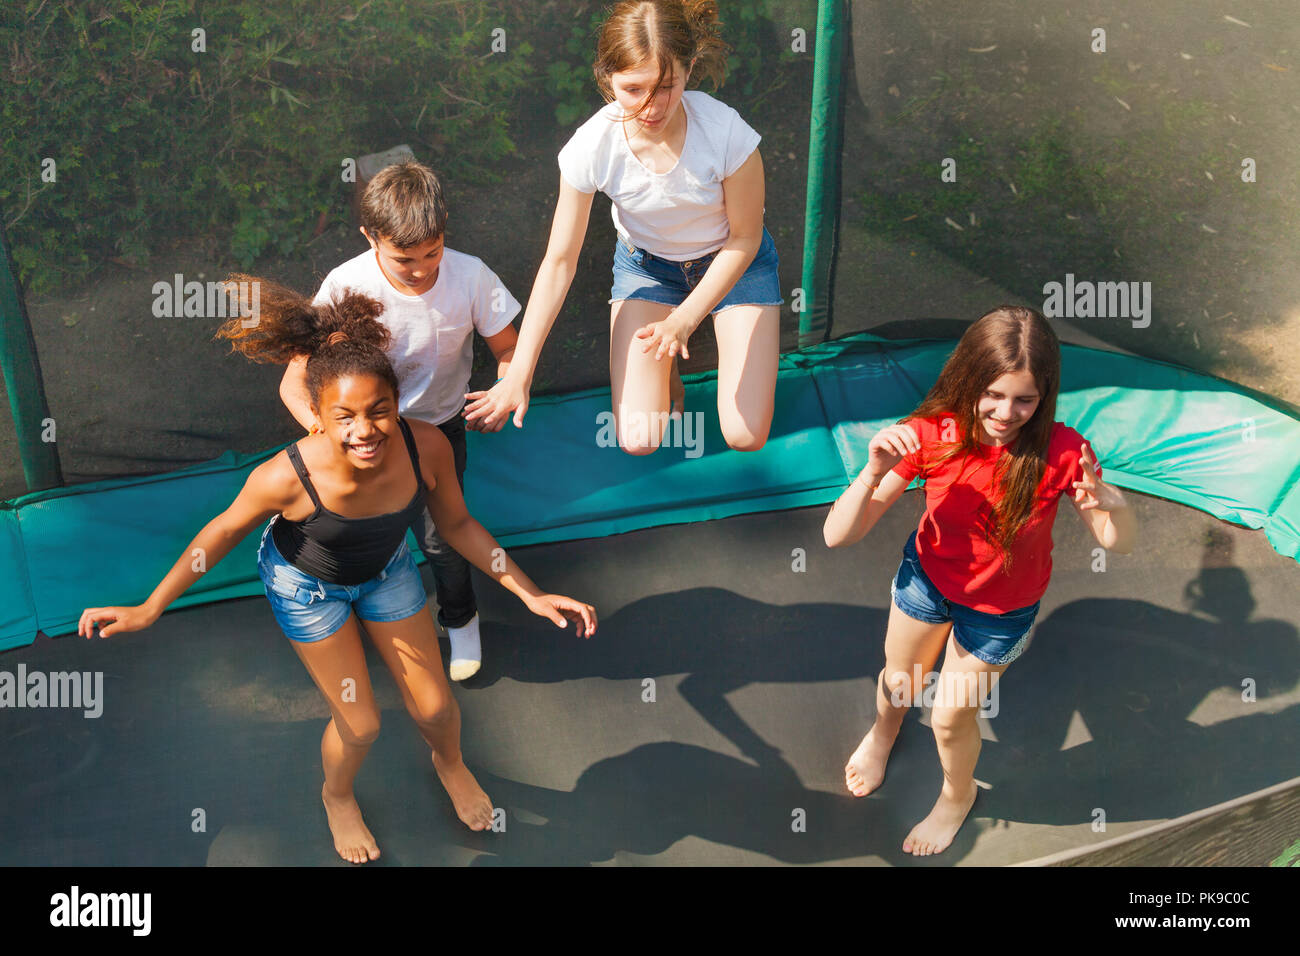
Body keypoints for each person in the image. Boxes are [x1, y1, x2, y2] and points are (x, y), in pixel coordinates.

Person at [79, 278, 596, 865]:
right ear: (317, 416)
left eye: (378, 411)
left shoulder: (426, 447)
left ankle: (449, 763)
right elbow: (219, 534)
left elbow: (457, 528)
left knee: (434, 708)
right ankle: (338, 795)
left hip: (386, 571)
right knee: (361, 724)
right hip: (307, 588)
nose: (364, 430)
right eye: (344, 416)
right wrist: (150, 607)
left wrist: (528, 593)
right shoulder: (286, 476)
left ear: (397, 403)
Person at [823, 306, 1136, 857]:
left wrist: (1117, 506)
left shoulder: (1061, 451)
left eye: (1024, 399)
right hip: (927, 584)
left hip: (999, 614)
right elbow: (837, 536)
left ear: (1044, 397)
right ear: (969, 380)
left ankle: (956, 795)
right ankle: (883, 733)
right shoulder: (929, 435)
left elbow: (1117, 541)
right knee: (899, 682)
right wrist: (871, 472)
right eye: (993, 393)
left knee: (949, 719)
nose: (1006, 412)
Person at [464, 0, 782, 455]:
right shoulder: (593, 145)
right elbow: (559, 262)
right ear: (607, 79)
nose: (651, 107)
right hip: (648, 270)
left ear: (688, 70)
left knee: (746, 436)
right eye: (634, 89)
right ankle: (668, 378)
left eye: (666, 87)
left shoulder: (726, 133)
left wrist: (684, 320)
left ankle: (682, 341)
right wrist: (519, 373)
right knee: (638, 439)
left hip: (734, 265)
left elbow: (746, 238)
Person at [281, 161, 521, 681]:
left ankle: (461, 620)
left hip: (438, 432)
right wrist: (330, 435)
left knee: (441, 539)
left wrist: (508, 387)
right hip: (362, 438)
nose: (421, 268)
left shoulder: (471, 274)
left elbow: (508, 349)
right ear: (370, 237)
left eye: (432, 253)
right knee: (357, 533)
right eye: (404, 259)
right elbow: (294, 379)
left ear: (445, 230)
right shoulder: (345, 284)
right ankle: (355, 622)